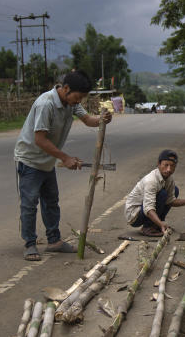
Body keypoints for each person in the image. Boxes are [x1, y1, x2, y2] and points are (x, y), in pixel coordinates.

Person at [14, 70, 112, 261]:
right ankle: (30, 244)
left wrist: (102, 120)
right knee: (29, 204)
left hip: (47, 161)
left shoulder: (70, 103)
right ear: (66, 89)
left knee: (51, 201)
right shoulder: (46, 104)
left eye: (82, 98)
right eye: (78, 97)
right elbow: (40, 140)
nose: (80, 101)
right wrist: (65, 158)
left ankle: (54, 241)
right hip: (30, 160)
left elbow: (88, 120)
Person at [124, 149, 185, 236]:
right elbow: (148, 208)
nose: (169, 169)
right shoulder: (151, 180)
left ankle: (156, 224)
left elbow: (171, 201)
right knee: (163, 194)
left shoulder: (169, 179)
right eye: (166, 165)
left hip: (145, 208)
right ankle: (148, 227)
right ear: (159, 164)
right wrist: (160, 224)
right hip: (135, 215)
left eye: (172, 166)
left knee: (175, 190)